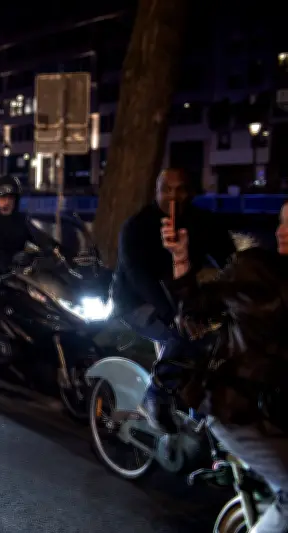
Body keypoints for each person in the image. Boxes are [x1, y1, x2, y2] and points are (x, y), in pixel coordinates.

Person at [162, 202, 288, 532]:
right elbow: (194, 312)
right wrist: (181, 260)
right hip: (238, 409)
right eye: (281, 222)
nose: (281, 232)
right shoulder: (254, 270)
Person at [113, 169, 235, 432]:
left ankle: (197, 412)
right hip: (137, 303)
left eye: (180, 190)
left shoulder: (203, 222)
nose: (173, 197)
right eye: (166, 189)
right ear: (156, 191)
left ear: (191, 193)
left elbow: (230, 260)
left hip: (184, 299)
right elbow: (136, 275)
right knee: (183, 334)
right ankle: (155, 394)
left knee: (218, 340)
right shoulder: (136, 226)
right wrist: (173, 315)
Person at [0, 174, 55, 404]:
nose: (6, 202)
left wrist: (61, 252)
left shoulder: (21, 221)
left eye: (10, 198)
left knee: (40, 312)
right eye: (1, 198)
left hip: (14, 279)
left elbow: (43, 240)